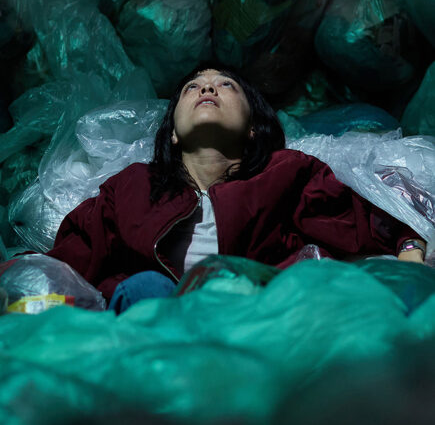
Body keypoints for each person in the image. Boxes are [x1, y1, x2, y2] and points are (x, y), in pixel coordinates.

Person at [45, 63, 426, 313]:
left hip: (255, 318)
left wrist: (409, 250)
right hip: (156, 324)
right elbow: (69, 261)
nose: (207, 88)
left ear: (252, 127)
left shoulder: (286, 173)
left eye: (225, 85)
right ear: (173, 133)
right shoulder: (131, 187)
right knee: (145, 287)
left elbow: (363, 222)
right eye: (192, 87)